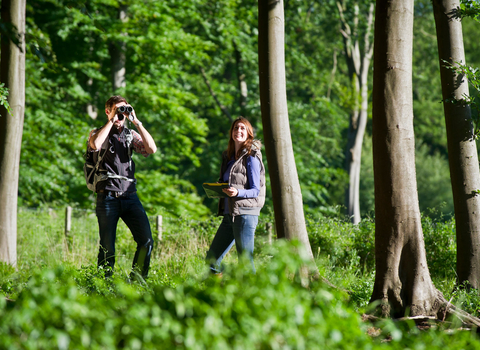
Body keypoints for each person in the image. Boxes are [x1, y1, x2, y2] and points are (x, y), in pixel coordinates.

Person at [88, 95, 157, 279]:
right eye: (117, 109)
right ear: (107, 111)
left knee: (146, 240)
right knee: (107, 245)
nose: (121, 114)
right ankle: (104, 284)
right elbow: (95, 144)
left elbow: (151, 149)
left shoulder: (129, 135)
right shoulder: (97, 132)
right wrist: (112, 121)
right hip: (107, 196)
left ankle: (137, 280)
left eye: (123, 110)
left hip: (129, 196)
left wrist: (137, 122)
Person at [206, 117, 266, 274]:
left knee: (245, 261)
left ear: (248, 133)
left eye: (242, 128)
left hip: (245, 214)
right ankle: (220, 294)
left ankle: (253, 297)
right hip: (229, 215)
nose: (238, 131)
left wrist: (237, 192)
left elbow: (255, 190)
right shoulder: (229, 157)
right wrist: (219, 188)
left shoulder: (251, 156)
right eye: (235, 128)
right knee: (212, 260)